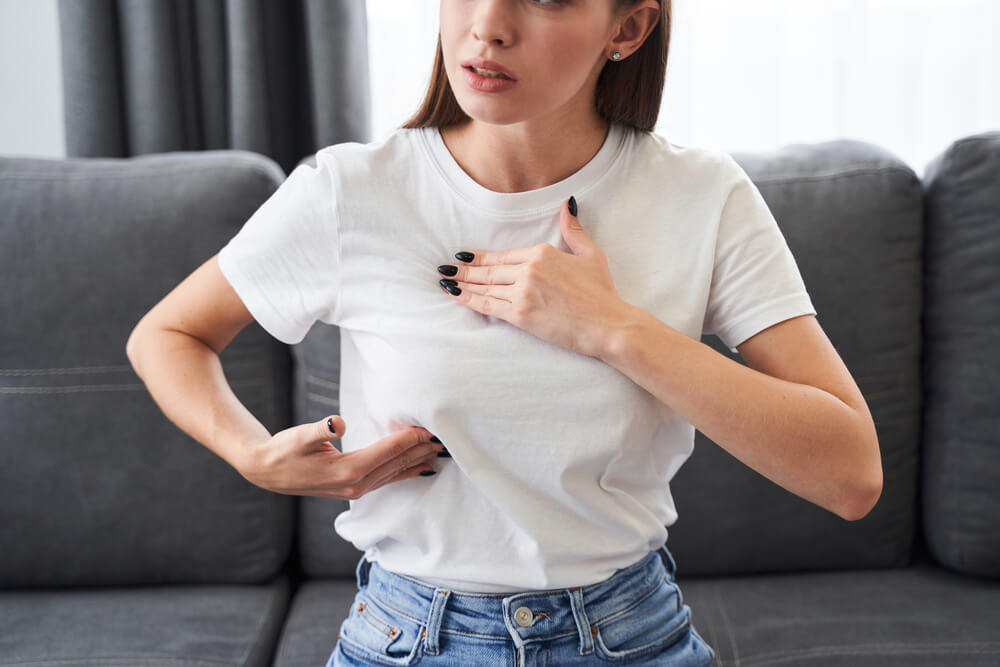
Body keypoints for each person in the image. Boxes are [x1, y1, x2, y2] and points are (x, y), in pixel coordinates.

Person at [127, 0, 882, 665]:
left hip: (630, 634)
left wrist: (613, 329)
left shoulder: (704, 197)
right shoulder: (350, 190)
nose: (487, 25)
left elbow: (850, 473)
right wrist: (251, 455)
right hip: (405, 637)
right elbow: (167, 333)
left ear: (628, 27)